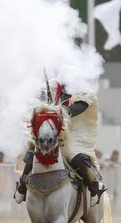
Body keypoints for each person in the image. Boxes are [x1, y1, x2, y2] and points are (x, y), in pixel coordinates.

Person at [14, 78, 106, 206]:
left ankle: (94, 186)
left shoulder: (85, 92)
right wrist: (45, 106)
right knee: (30, 151)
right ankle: (22, 185)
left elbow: (74, 109)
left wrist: (56, 111)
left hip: (74, 134)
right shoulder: (51, 86)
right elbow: (36, 102)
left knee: (77, 157)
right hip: (52, 130)